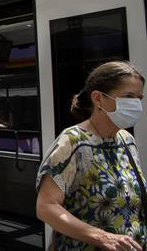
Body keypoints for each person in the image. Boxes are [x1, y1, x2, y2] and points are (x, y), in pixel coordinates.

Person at [36, 61, 146, 250]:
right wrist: (102, 237)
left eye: (139, 98)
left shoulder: (127, 140)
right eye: (128, 97)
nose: (136, 104)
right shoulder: (73, 141)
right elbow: (46, 206)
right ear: (98, 98)